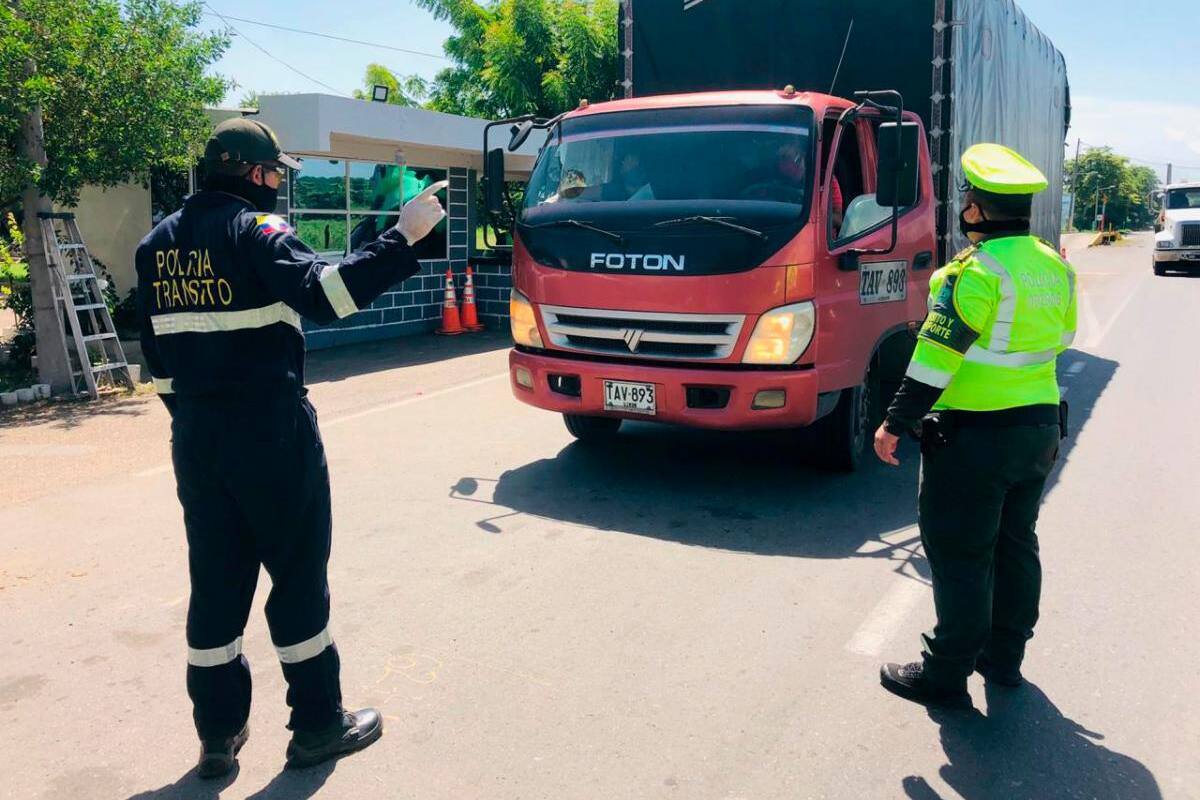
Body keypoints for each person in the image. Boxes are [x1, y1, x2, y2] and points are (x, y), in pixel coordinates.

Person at [135, 118, 447, 776]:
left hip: (195, 436)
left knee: (216, 587)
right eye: (276, 174)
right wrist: (404, 238)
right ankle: (316, 728)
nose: (278, 185)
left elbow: (158, 362)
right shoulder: (258, 231)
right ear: (253, 173)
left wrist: (199, 413)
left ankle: (218, 738)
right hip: (270, 431)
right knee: (299, 580)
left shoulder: (155, 244)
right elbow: (329, 296)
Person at [872, 143, 1077, 708]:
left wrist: (894, 422)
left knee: (962, 554)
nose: (964, 205)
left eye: (967, 197)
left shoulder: (973, 274)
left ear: (977, 210)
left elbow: (934, 360)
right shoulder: (1053, 265)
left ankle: (944, 674)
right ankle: (1005, 659)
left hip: (974, 439)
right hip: (1038, 430)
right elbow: (1062, 339)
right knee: (1016, 545)